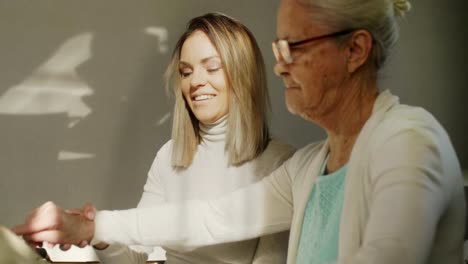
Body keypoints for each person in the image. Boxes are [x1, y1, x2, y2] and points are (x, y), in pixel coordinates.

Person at [14, 0, 466, 263]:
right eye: (278, 47)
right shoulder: (310, 167)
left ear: (355, 50)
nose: (279, 64)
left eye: (295, 46)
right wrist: (88, 227)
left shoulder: (408, 142)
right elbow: (211, 218)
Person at [14, 13, 295, 264]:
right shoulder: (170, 155)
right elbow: (136, 255)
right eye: (186, 72)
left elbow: (215, 225)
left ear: (243, 74)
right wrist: (100, 239)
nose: (195, 82)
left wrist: (93, 227)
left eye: (211, 68)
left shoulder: (281, 162)